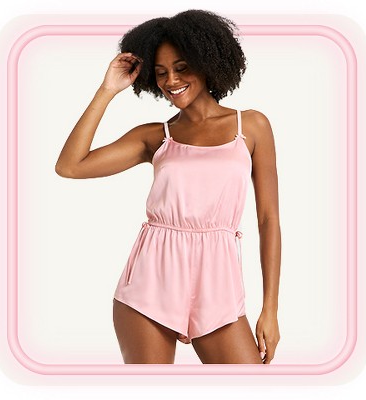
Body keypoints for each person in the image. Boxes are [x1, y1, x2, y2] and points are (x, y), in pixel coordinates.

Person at [55, 9, 281, 365]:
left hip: (218, 284)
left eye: (181, 67)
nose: (171, 81)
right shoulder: (154, 137)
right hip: (150, 283)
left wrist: (270, 309)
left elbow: (268, 219)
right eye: (161, 73)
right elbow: (69, 166)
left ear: (207, 63)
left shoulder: (251, 126)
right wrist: (107, 90)